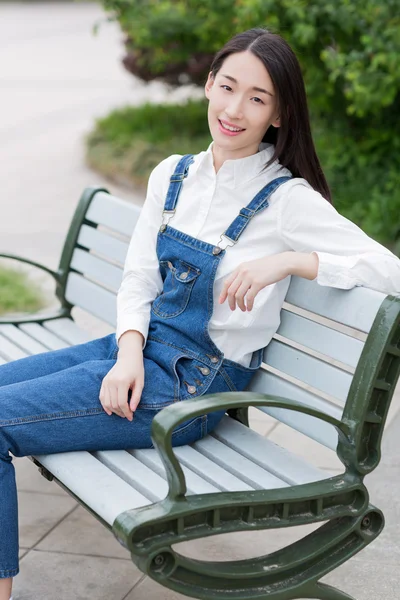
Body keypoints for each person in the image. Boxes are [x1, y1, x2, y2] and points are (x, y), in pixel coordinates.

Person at [1, 27, 400, 600]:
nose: (236, 109)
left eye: (258, 98)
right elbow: (139, 274)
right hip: (133, 356)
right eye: (229, 87)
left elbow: (388, 269)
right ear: (209, 85)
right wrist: (130, 351)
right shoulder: (174, 174)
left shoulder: (286, 200)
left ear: (279, 114)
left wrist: (290, 260)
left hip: (193, 388)